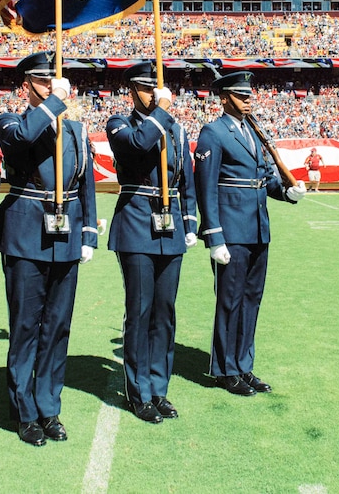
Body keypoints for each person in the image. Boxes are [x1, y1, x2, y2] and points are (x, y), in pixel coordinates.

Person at [0, 51, 98, 447]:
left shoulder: (75, 129)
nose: (51, 86)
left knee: (57, 326)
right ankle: (24, 411)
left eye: (54, 81)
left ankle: (48, 405)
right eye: (43, 81)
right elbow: (20, 142)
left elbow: (85, 182)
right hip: (25, 232)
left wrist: (88, 232)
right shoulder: (10, 120)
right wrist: (53, 103)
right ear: (28, 85)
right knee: (25, 326)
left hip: (66, 233)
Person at [193, 71, 305, 398]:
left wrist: (286, 193)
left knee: (251, 300)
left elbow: (264, 179)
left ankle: (243, 364)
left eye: (249, 96)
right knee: (229, 301)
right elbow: (206, 188)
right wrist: (214, 236)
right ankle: (225, 369)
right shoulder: (214, 132)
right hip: (231, 231)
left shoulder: (254, 133)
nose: (248, 100)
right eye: (241, 96)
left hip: (257, 228)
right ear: (224, 98)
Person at [106, 62, 198, 424]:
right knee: (140, 311)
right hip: (135, 225)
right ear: (132, 90)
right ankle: (138, 391)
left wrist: (189, 221)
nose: (152, 95)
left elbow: (186, 179)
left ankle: (159, 388)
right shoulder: (120, 124)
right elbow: (138, 145)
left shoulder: (175, 129)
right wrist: (161, 112)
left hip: (169, 225)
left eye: (155, 89)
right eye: (146, 89)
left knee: (165, 312)